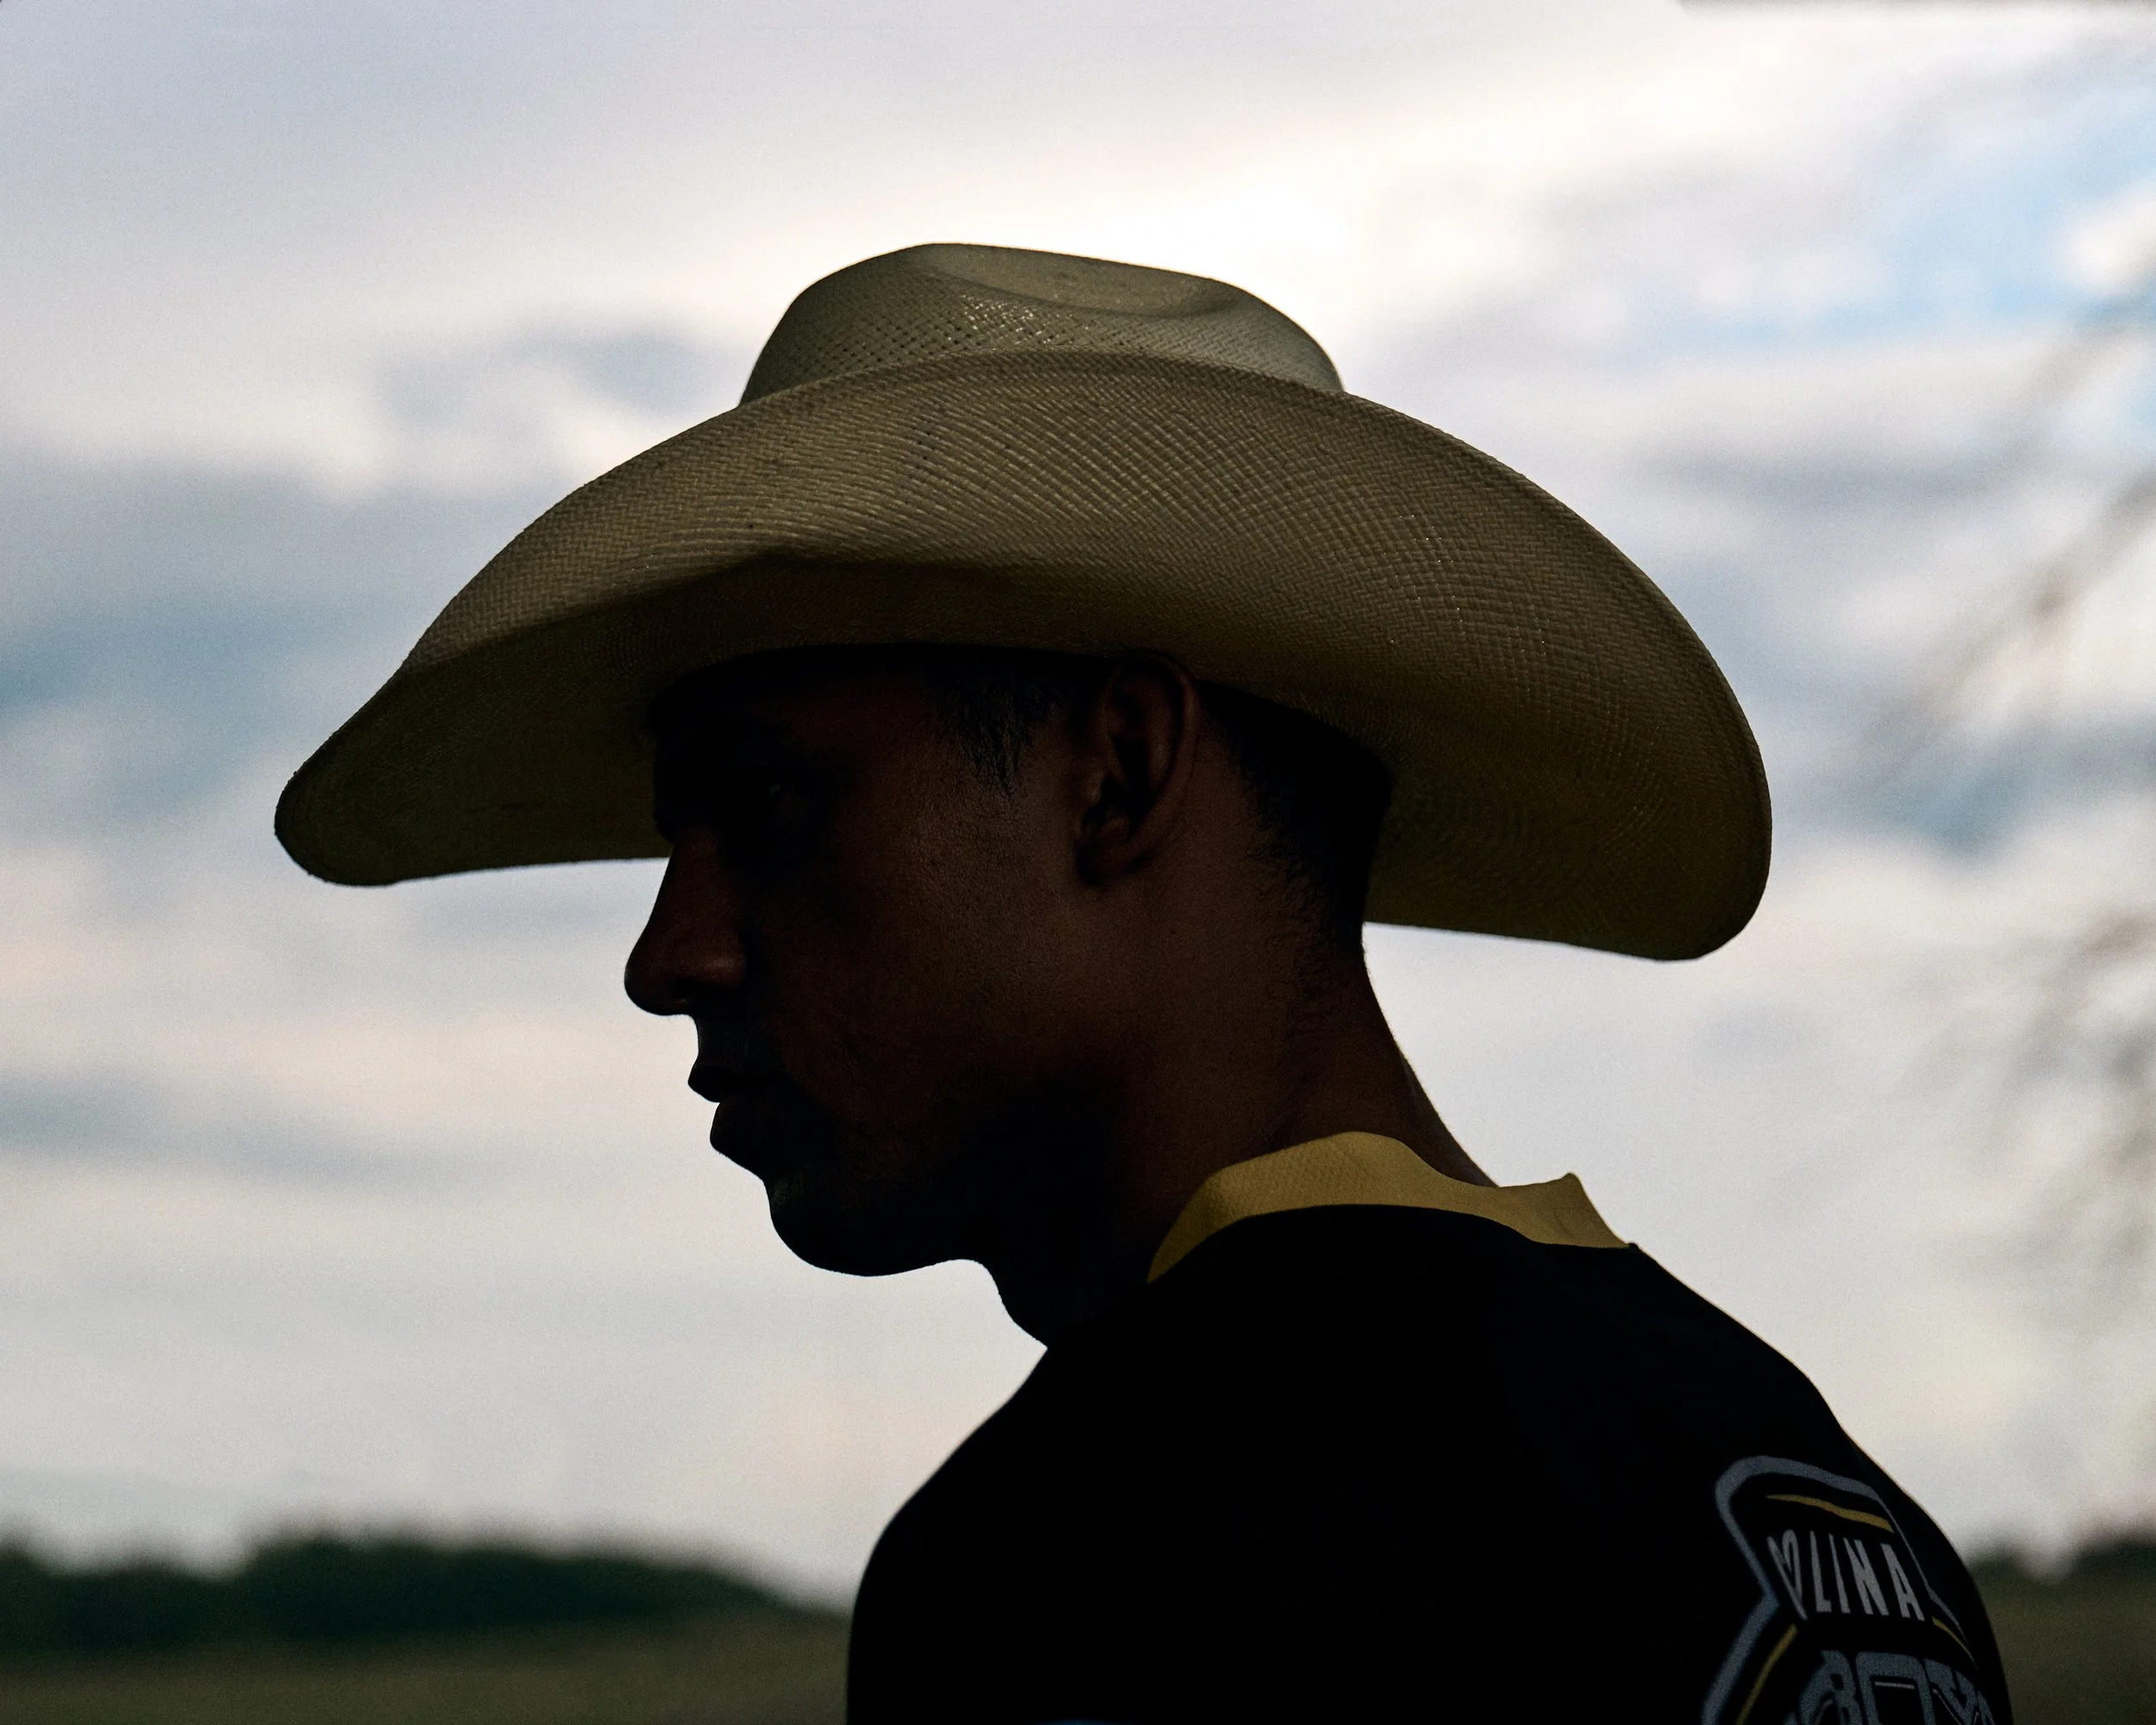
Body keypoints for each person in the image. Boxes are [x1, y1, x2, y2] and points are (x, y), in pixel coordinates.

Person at [279, 244, 2012, 1723]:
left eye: (768, 809)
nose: (672, 954)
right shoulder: (1815, 1505)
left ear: (1117, 770)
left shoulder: (1102, 1536)